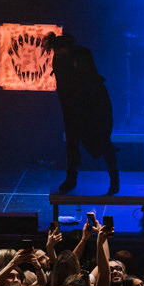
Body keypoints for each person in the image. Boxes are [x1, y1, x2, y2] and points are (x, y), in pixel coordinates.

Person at [45, 32, 120, 196]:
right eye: (57, 53)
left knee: (103, 141)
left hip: (94, 104)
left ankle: (114, 179)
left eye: (61, 52)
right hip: (72, 105)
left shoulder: (82, 54)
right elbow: (63, 88)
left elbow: (91, 82)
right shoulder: (58, 60)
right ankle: (71, 179)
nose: (58, 55)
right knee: (72, 143)